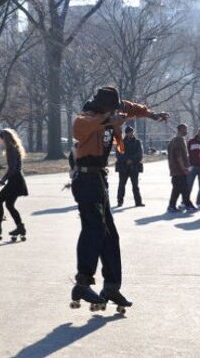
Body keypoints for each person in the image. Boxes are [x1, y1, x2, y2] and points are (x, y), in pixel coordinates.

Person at [70, 86, 168, 309]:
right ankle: (82, 284)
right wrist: (108, 121)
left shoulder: (115, 109)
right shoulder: (87, 117)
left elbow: (132, 108)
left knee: (110, 236)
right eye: (112, 109)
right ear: (102, 107)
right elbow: (79, 129)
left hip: (100, 179)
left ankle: (112, 287)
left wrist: (152, 115)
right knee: (94, 229)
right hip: (85, 179)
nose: (117, 111)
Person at [0, 129, 28, 240]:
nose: (0, 142)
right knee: (9, 205)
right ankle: (19, 227)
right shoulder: (13, 149)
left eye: (1, 139)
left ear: (4, 139)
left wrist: (3, 179)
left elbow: (12, 169)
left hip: (15, 180)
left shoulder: (12, 150)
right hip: (16, 180)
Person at [167, 124, 197, 213]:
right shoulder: (179, 140)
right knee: (184, 188)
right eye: (185, 129)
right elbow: (178, 155)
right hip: (179, 169)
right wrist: (183, 168)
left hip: (175, 169)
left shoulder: (173, 140)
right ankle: (188, 205)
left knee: (177, 189)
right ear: (180, 130)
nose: (186, 131)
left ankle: (172, 206)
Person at [115, 125, 144, 207]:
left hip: (134, 167)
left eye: (132, 132)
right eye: (129, 132)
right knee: (121, 185)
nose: (131, 133)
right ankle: (119, 201)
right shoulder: (121, 143)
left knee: (135, 186)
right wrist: (126, 160)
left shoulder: (137, 142)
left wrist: (131, 160)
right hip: (123, 167)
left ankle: (138, 202)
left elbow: (140, 154)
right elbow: (118, 155)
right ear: (126, 133)